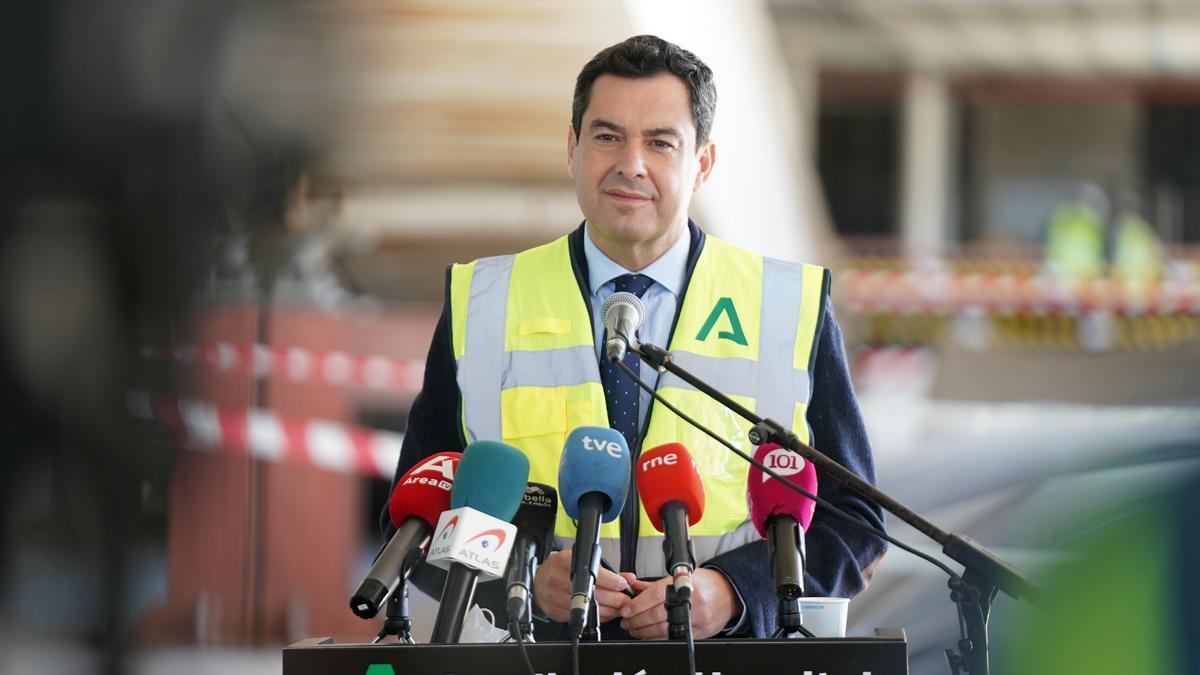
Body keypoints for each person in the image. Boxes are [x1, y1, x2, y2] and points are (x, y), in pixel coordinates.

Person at [381, 34, 886, 641]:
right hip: (532, 655)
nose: (631, 164)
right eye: (607, 136)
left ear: (702, 164)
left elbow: (855, 525)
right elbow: (414, 517)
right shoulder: (484, 301)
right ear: (572, 149)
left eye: (660, 142)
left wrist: (735, 592)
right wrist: (518, 574)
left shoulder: (787, 305)